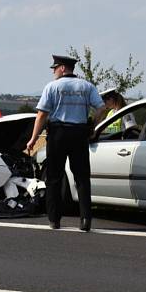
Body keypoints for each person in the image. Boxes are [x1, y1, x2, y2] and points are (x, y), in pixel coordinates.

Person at [26, 54, 106, 231]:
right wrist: (92, 124)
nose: (53, 71)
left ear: (62, 68)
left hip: (58, 134)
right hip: (79, 134)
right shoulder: (87, 86)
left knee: (54, 178)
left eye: (55, 68)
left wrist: (33, 138)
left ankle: (54, 219)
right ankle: (85, 220)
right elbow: (101, 107)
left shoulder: (52, 87)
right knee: (82, 178)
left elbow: (42, 114)